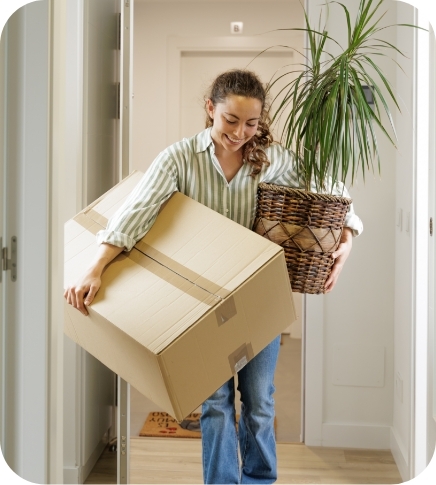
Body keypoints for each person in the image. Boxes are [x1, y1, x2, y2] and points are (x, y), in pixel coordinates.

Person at [64, 69, 363, 484]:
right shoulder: (179, 158)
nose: (241, 132)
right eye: (231, 120)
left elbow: (333, 192)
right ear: (210, 109)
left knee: (259, 402)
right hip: (202, 309)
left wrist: (347, 237)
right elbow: (135, 212)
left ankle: (259, 479)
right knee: (216, 403)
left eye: (251, 123)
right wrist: (95, 267)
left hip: (259, 302)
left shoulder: (273, 158)